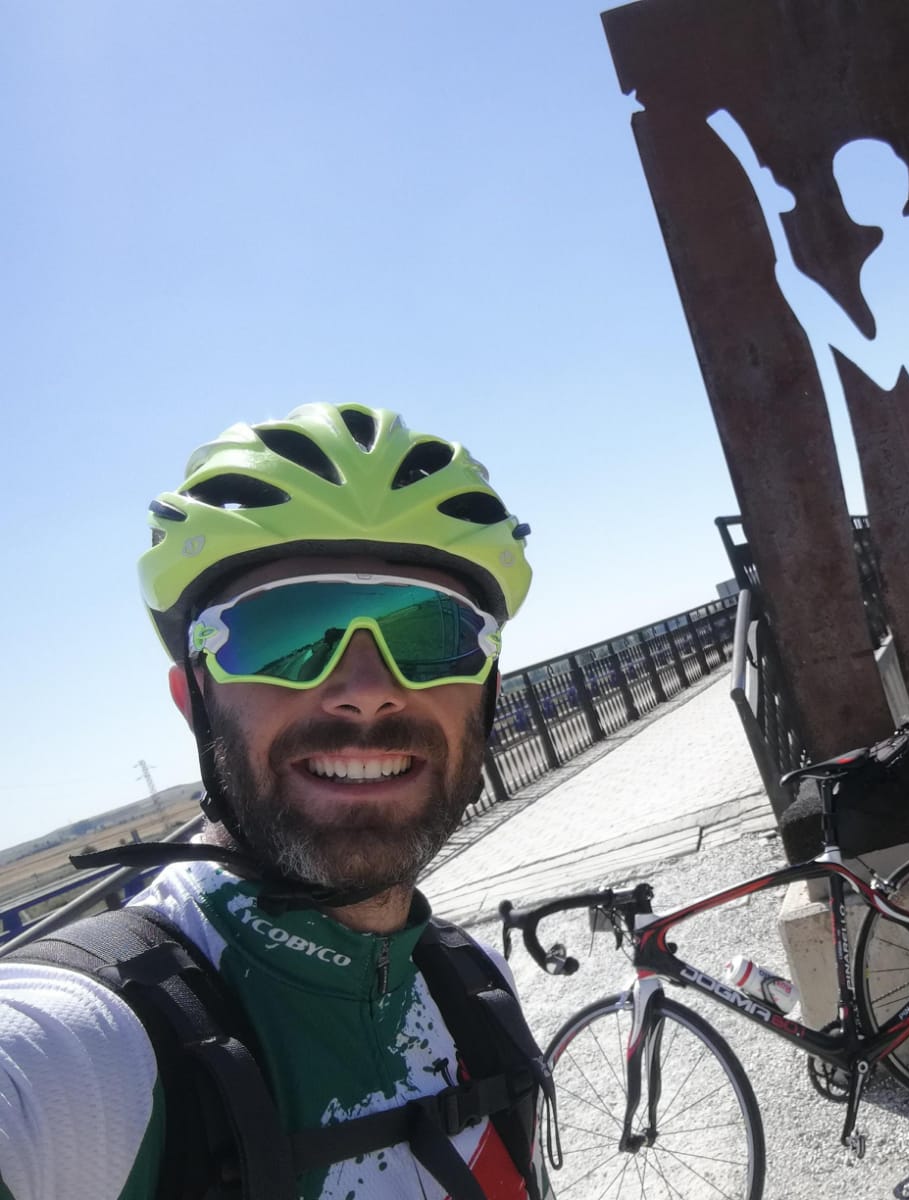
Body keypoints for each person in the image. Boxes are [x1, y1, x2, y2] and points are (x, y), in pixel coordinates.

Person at [0, 403, 551, 1200]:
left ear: (487, 691)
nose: (368, 693)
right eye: (285, 631)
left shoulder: (475, 988)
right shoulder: (86, 1057)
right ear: (194, 702)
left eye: (433, 633)